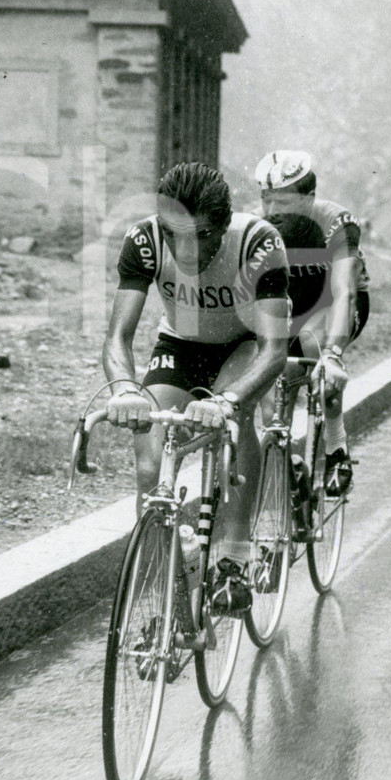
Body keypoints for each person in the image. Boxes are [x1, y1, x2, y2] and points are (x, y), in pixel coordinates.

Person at [102, 161, 290, 614]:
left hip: (243, 346)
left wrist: (227, 400)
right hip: (181, 345)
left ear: (223, 226)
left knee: (233, 420)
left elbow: (273, 350)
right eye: (175, 234)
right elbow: (117, 339)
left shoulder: (257, 242)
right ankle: (172, 565)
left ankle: (233, 558)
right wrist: (125, 389)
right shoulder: (145, 240)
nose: (185, 250)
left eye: (201, 236)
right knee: (148, 459)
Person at [254, 150, 370, 496]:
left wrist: (333, 353)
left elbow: (344, 290)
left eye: (284, 202)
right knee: (272, 380)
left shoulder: (336, 221)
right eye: (267, 199)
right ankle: (289, 466)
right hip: (288, 302)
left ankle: (336, 446)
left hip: (334, 302)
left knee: (313, 346)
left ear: (309, 198)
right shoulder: (256, 224)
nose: (273, 211)